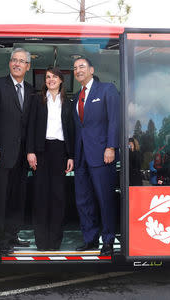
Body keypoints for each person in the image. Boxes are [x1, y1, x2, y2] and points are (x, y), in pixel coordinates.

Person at [72, 57, 120, 256]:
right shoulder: (76, 96)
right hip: (81, 154)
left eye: (82, 66)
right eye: (75, 68)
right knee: (84, 200)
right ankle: (90, 238)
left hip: (102, 154)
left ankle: (108, 240)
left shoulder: (107, 89)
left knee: (105, 198)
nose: (78, 70)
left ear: (91, 69)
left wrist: (111, 147)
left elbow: (114, 121)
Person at [26, 67, 75, 251]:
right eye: (48, 77)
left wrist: (71, 156)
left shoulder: (68, 103)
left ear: (61, 80)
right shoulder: (36, 100)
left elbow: (71, 131)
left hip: (60, 151)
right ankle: (41, 242)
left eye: (54, 77)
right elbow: (30, 126)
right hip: (40, 150)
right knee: (40, 196)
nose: (51, 80)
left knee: (58, 197)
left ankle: (54, 243)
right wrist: (30, 151)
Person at [0, 48, 34, 255]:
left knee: (18, 199)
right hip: (2, 154)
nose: (17, 64)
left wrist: (32, 151)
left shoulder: (31, 89)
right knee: (1, 200)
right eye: (14, 60)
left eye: (21, 61)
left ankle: (13, 235)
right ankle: (1, 241)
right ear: (9, 63)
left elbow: (30, 125)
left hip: (22, 156)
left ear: (28, 66)